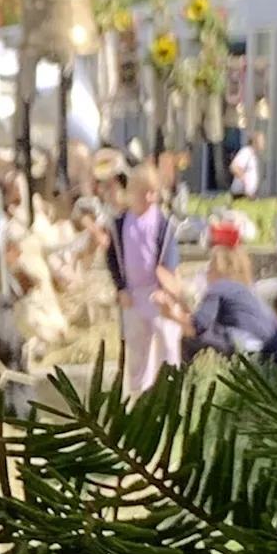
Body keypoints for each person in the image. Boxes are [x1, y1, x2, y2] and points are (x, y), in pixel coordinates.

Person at [105, 163, 183, 396]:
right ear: (132, 193)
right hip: (133, 294)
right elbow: (112, 258)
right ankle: (139, 396)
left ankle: (169, 393)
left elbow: (170, 258)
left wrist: (165, 290)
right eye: (144, 192)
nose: (150, 198)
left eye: (153, 192)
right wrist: (120, 288)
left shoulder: (163, 224)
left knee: (167, 345)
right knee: (138, 349)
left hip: (157, 293)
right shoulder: (119, 225)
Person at [168, 245, 277, 376]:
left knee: (189, 339)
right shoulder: (247, 293)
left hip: (253, 353)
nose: (206, 272)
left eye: (209, 266)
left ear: (219, 268)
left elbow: (198, 325)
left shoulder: (220, 286)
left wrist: (170, 311)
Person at [229, 135, 260, 199]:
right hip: (240, 194)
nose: (263, 143)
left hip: (248, 195)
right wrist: (244, 181)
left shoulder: (253, 154)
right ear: (254, 142)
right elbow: (233, 167)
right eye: (261, 140)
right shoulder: (246, 152)